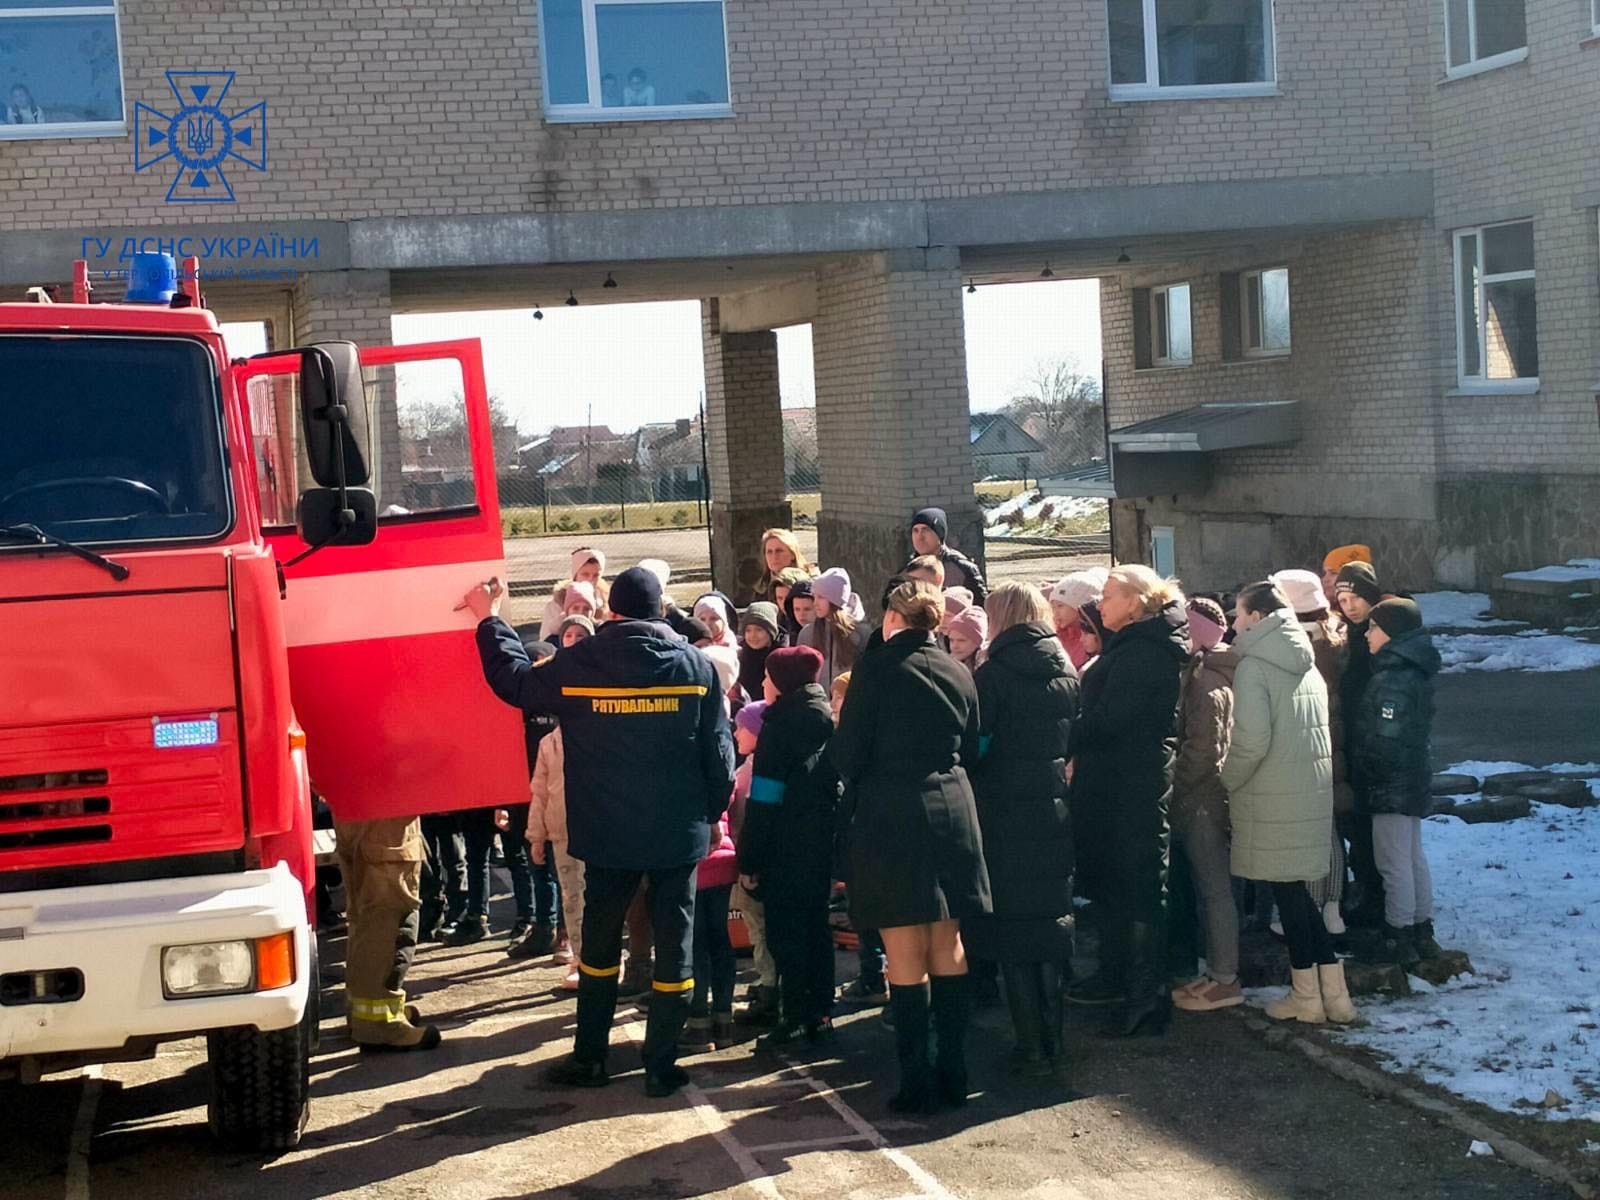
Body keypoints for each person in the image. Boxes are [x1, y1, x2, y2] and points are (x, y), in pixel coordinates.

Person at [469, 566, 736, 1097]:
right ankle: (661, 1065)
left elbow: (518, 684)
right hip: (674, 833)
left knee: (597, 945)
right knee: (674, 946)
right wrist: (710, 816)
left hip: (607, 833)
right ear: (662, 611)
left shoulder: (581, 661)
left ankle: (590, 1057)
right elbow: (721, 756)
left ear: (610, 612)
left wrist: (490, 622)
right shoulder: (694, 667)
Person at [830, 580, 990, 1113]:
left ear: (892, 619)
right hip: (952, 805)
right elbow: (973, 743)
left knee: (903, 948)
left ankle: (916, 1080)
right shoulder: (958, 670)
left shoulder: (875, 670)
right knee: (948, 942)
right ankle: (956, 1071)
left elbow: (846, 752)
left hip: (891, 810)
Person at [1221, 582, 1356, 1026]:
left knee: (1290, 898)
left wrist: (1227, 780)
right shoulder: (1307, 661)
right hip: (1306, 792)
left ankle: (1306, 997)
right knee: (1298, 897)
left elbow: (1251, 741)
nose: (1233, 623)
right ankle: (1333, 997)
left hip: (1270, 795)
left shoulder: (1255, 667)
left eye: (1238, 614)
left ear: (1258, 617)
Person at [1065, 565, 1189, 1038]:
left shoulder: (1145, 652)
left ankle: (1144, 996)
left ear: (1137, 602)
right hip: (1112, 781)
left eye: (1111, 595)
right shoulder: (1132, 645)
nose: (1101, 602)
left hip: (1133, 784)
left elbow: (1112, 719)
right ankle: (1116, 976)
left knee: (1137, 884)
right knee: (1113, 881)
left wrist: (1063, 730)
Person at [965, 583, 1078, 1077]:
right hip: (1053, 807)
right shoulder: (1066, 671)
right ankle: (1053, 1038)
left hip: (1005, 811)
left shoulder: (992, 677)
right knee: (1050, 922)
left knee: (1014, 930)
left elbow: (979, 746)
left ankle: (1029, 1042)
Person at [739, 646, 840, 1048]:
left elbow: (764, 800)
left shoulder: (778, 729)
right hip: (820, 843)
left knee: (786, 934)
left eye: (767, 677)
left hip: (784, 847)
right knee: (816, 929)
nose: (762, 684)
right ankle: (820, 1012)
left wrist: (750, 859)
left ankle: (794, 1015)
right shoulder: (824, 719)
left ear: (782, 682)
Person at [1353, 598, 1442, 968]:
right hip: (1410, 777)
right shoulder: (1411, 669)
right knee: (1411, 856)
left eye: (1373, 627)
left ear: (1391, 631)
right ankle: (1420, 927)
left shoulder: (1392, 677)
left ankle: (1399, 934)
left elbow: (1384, 738)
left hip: (1391, 782)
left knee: (1393, 861)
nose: (1367, 634)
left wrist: (1368, 772)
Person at [1169, 597, 1242, 1013]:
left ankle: (1225, 977)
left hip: (1201, 800)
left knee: (1215, 890)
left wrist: (1174, 785)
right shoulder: (1198, 674)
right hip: (1198, 795)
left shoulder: (1206, 682)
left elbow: (1204, 751)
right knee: (1207, 889)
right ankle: (1214, 972)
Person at [1273, 568, 1352, 939]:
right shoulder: (1335, 636)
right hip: (1334, 746)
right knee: (1328, 830)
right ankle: (1332, 905)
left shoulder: (1294, 644)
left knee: (1301, 834)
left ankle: (1307, 904)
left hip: (1302, 746)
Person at [335, 814, 442, 1052]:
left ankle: (364, 1014)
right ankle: (381, 1023)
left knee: (365, 917)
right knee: (388, 917)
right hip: (386, 821)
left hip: (359, 814)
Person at [1334, 560, 1387, 928]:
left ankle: (1376, 904)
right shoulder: (1349, 635)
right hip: (1353, 747)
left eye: (1355, 598)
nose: (1349, 606)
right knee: (1358, 831)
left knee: (1373, 837)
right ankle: (1366, 896)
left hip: (1372, 750)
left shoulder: (1378, 638)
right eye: (1343, 598)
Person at [728, 701, 780, 1022]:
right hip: (751, 859)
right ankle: (767, 980)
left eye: (741, 726)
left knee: (760, 928)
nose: (736, 732)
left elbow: (749, 819)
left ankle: (769, 986)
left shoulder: (753, 770)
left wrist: (748, 863)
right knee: (756, 925)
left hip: (752, 862)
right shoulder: (750, 765)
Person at [682, 811, 739, 1051]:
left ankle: (699, 1024)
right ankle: (724, 1019)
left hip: (692, 857)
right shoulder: (724, 775)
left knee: (696, 945)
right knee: (721, 941)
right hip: (724, 859)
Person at [801, 567, 868, 688]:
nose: (815, 603)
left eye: (821, 597)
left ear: (835, 600)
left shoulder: (859, 633)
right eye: (814, 597)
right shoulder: (807, 633)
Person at [909, 507, 988, 601]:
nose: (920, 537)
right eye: (915, 530)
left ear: (940, 533)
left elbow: (982, 607)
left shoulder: (961, 568)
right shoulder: (908, 569)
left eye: (925, 530)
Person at [1049, 568, 1109, 672]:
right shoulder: (1055, 634)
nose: (1055, 613)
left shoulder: (1095, 637)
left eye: (1060, 606)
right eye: (1053, 607)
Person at [540, 549, 606, 641]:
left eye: (596, 575)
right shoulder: (556, 604)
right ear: (575, 575)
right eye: (585, 574)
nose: (591, 580)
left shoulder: (606, 602)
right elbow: (546, 639)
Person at [753, 528, 814, 606]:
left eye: (779, 551)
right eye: (769, 552)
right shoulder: (761, 588)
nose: (774, 556)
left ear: (792, 554)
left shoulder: (810, 584)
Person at [738, 601, 784, 701]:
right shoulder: (740, 655)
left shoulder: (781, 658)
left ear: (770, 632)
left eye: (758, 630)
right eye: (748, 630)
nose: (753, 635)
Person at [943, 603, 988, 675]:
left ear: (977, 642)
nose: (955, 646)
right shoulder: (945, 666)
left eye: (961, 640)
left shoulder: (987, 670)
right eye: (951, 640)